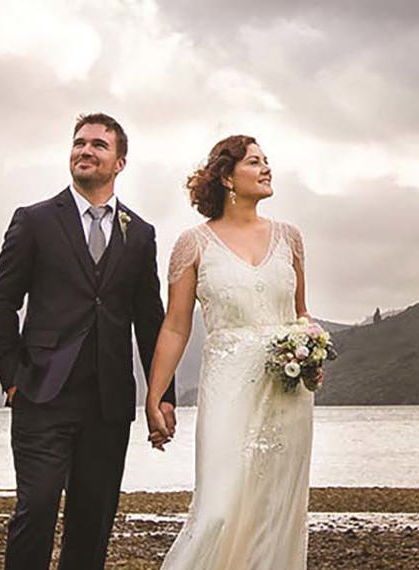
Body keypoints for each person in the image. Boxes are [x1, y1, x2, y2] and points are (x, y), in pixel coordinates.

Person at [0, 113, 176, 569]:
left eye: (98, 145)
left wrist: (161, 395)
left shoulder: (141, 233)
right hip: (41, 394)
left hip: (108, 403)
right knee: (37, 510)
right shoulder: (33, 221)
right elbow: (1, 304)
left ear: (120, 162)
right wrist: (12, 378)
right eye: (79, 143)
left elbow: (150, 322)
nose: (85, 151)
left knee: (93, 522)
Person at [145, 135, 316, 569]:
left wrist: (312, 350)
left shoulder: (290, 239)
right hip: (227, 389)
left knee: (275, 512)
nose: (266, 168)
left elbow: (301, 313)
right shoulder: (194, 244)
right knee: (218, 509)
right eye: (254, 162)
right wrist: (155, 395)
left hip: (287, 392)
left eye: (266, 161)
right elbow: (175, 326)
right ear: (226, 177)